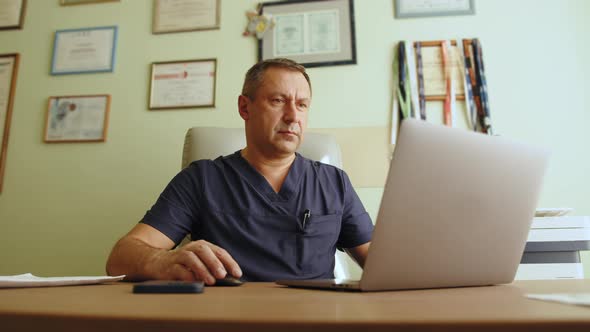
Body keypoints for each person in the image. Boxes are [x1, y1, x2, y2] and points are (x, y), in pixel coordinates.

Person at [106, 58, 373, 284]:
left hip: (316, 320)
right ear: (245, 107)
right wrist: (162, 260)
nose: (293, 116)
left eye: (302, 105)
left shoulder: (333, 182)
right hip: (227, 319)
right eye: (279, 100)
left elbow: (380, 265)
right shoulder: (202, 180)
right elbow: (120, 259)